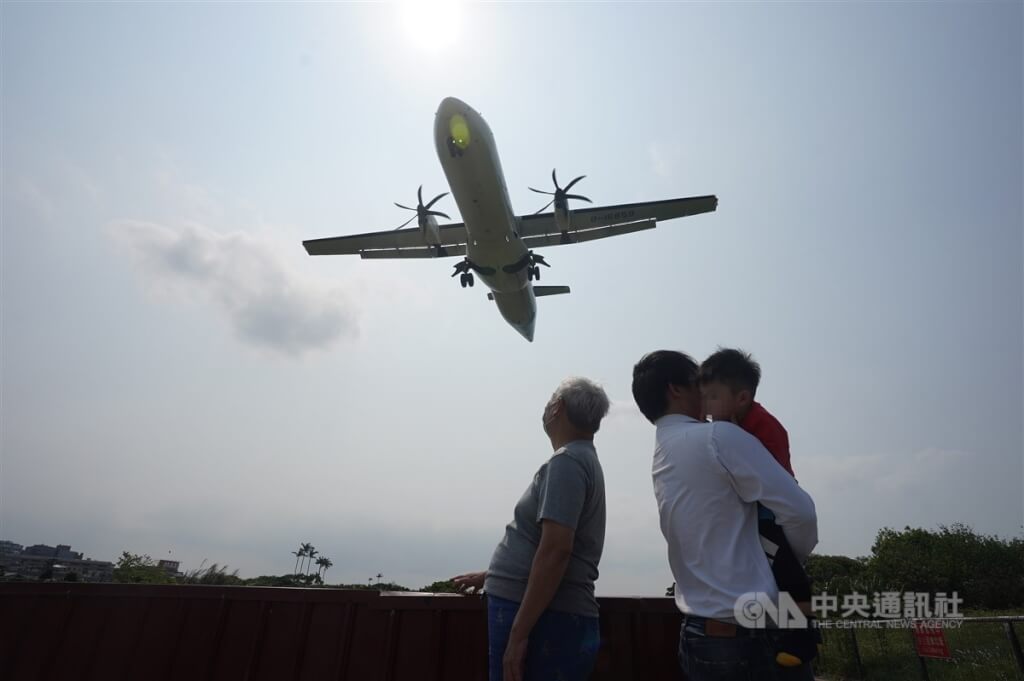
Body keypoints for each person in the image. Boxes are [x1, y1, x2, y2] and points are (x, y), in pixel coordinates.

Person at [631, 350, 818, 681]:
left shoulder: (663, 452)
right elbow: (800, 513)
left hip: (698, 635)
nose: (706, 392)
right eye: (699, 382)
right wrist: (787, 561)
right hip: (749, 637)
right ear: (676, 389)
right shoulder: (718, 437)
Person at [452, 377, 610, 681]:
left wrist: (518, 635)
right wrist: (493, 576)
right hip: (547, 612)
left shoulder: (568, 462)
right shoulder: (583, 459)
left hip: (543, 619)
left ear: (557, 408)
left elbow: (556, 550)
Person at [700, 348, 818, 667]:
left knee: (786, 570)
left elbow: (772, 481)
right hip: (755, 508)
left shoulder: (763, 427)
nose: (705, 406)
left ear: (741, 398)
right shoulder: (734, 424)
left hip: (769, 512)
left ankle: (804, 637)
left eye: (712, 397)